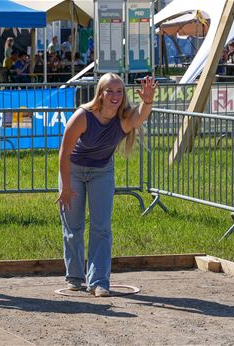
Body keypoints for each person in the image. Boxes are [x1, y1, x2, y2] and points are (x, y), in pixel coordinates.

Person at [57, 73, 157, 297]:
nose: (115, 96)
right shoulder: (83, 116)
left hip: (101, 171)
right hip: (73, 170)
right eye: (109, 91)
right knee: (73, 227)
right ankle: (74, 277)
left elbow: (139, 117)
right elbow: (64, 152)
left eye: (119, 91)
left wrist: (148, 101)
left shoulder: (122, 119)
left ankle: (99, 281)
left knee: (101, 227)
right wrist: (65, 186)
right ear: (100, 94)